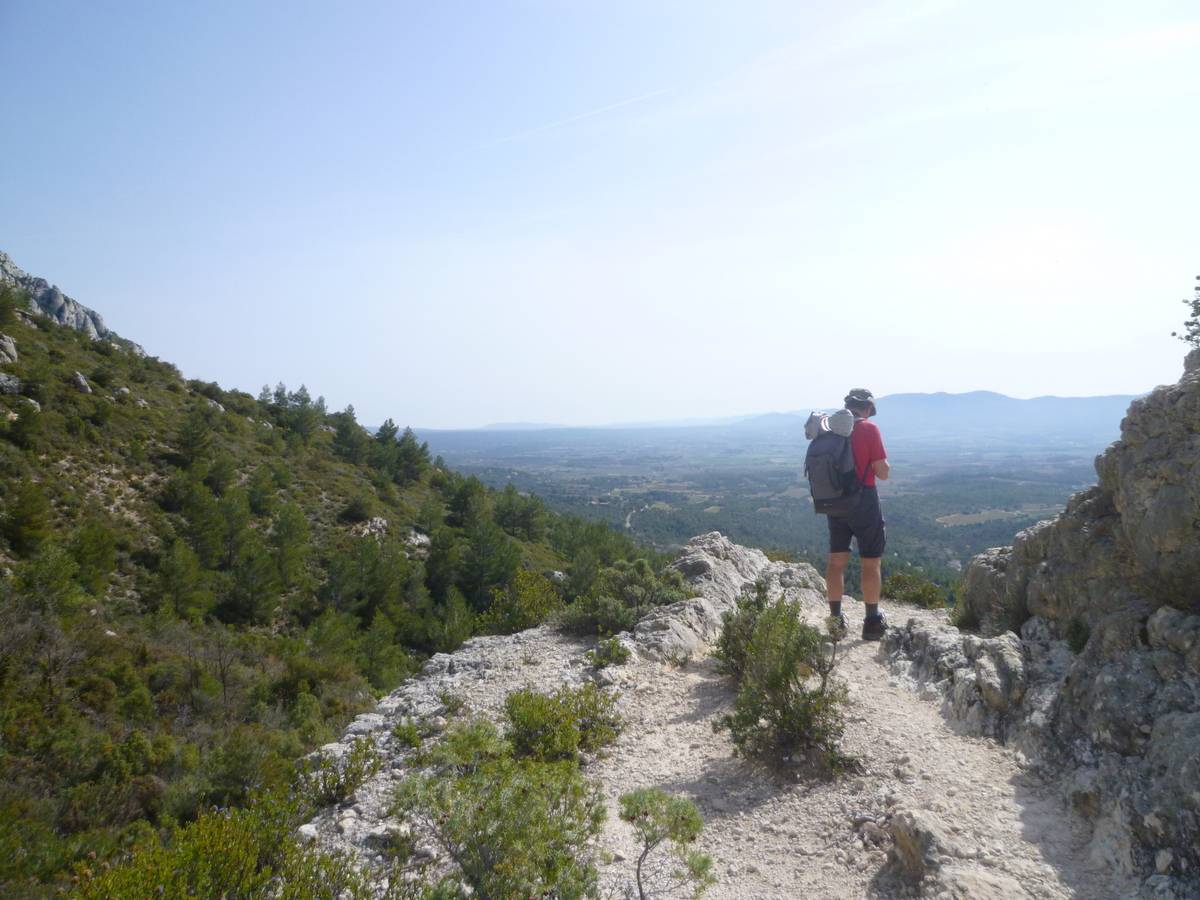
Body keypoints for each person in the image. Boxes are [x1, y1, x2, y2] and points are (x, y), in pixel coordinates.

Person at [825, 388, 889, 640]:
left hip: (835, 502)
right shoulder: (868, 429)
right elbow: (881, 471)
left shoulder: (830, 429)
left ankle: (835, 622)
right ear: (868, 409)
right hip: (864, 501)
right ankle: (871, 622)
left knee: (836, 561)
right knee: (870, 562)